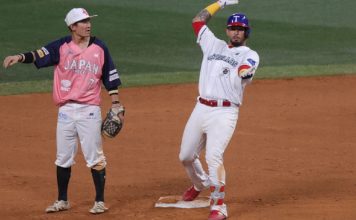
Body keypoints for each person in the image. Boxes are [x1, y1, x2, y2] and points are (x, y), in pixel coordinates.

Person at [2, 8, 124, 214]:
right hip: (66, 110)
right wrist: (19, 57)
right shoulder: (61, 46)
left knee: (95, 157)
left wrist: (116, 104)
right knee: (63, 157)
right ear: (72, 27)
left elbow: (109, 76)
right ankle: (62, 200)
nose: (88, 25)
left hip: (89, 109)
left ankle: (100, 201)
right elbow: (38, 54)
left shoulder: (100, 47)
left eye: (88, 21)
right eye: (83, 22)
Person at [178, 0, 259, 219]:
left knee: (214, 157)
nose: (236, 32)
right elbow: (198, 20)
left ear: (246, 32)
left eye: (240, 29)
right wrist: (220, 3)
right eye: (233, 28)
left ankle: (219, 207)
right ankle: (200, 182)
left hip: (224, 113)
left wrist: (244, 72)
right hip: (201, 107)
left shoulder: (249, 54)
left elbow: (246, 68)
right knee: (186, 156)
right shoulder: (213, 44)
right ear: (227, 30)